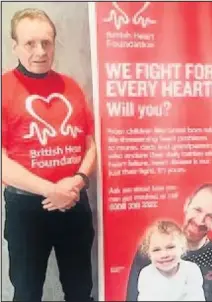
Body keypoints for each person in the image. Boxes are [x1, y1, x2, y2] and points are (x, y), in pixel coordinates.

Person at [1, 8, 96, 301]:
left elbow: (90, 144)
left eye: (47, 42)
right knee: (27, 292)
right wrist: (51, 190)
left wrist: (77, 182)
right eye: (30, 43)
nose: (40, 51)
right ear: (14, 45)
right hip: (26, 209)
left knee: (81, 291)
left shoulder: (71, 87)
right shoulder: (3, 88)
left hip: (74, 203)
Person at [126, 183, 212, 301]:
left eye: (211, 217)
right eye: (197, 210)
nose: (200, 221)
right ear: (186, 205)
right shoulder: (152, 245)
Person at [137, 220, 205, 301]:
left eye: (170, 247)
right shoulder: (147, 274)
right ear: (148, 253)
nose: (164, 255)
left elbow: (196, 298)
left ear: (182, 247)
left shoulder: (191, 270)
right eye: (156, 250)